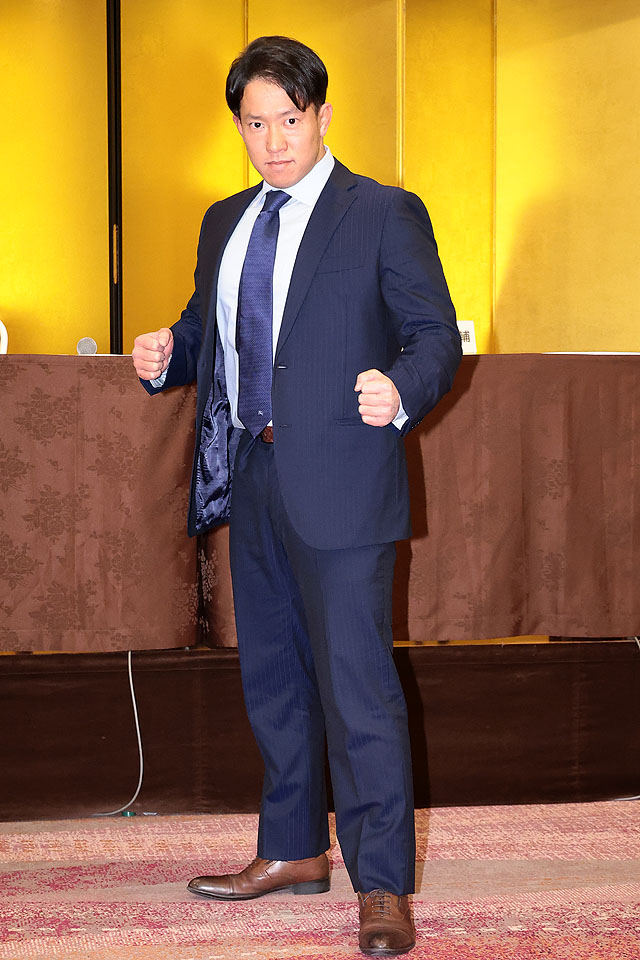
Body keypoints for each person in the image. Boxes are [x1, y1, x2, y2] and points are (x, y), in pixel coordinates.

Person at [132, 35, 461, 957]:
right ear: (238, 127)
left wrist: (402, 388)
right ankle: (292, 850)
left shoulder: (383, 212)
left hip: (344, 480)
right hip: (254, 472)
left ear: (322, 116)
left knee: (357, 688)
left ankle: (383, 883)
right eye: (254, 123)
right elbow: (210, 329)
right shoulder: (224, 221)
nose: (273, 141)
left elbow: (435, 334)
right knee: (273, 679)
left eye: (289, 119)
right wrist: (170, 351)